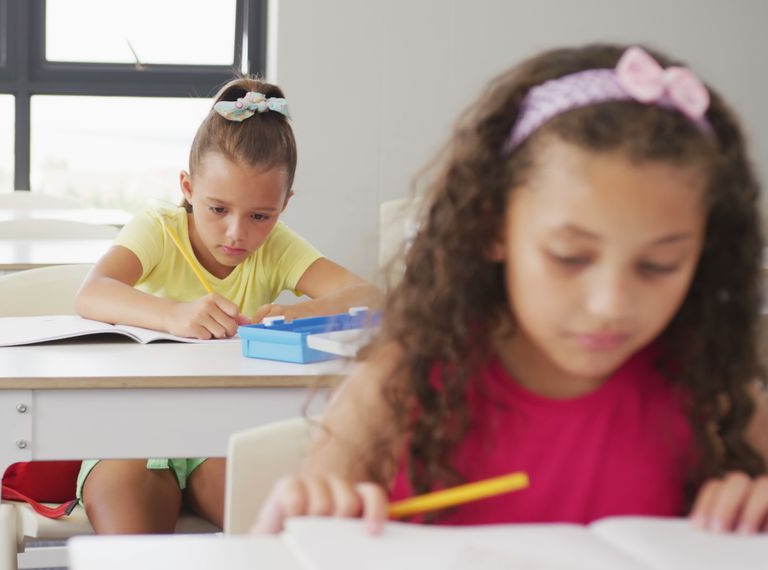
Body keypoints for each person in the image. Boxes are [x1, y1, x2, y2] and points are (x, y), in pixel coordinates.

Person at [251, 44, 768, 536]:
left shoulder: (714, 388)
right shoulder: (401, 381)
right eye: (569, 257)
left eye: (660, 265)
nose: (611, 303)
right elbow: (290, 540)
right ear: (491, 227)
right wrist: (301, 520)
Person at [72, 77, 381, 533]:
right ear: (188, 187)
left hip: (219, 435)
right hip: (129, 429)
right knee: (134, 554)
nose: (237, 233)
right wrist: (175, 314)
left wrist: (293, 313)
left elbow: (371, 297)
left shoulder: (277, 247)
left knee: (273, 537)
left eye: (260, 216)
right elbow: (91, 292)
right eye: (218, 209)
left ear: (283, 205)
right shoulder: (158, 228)